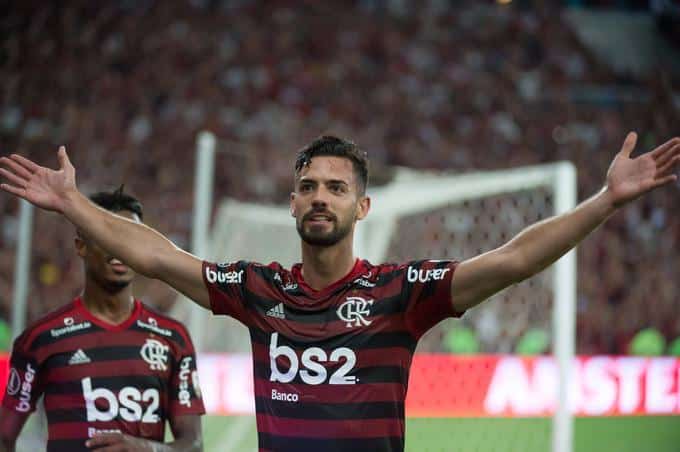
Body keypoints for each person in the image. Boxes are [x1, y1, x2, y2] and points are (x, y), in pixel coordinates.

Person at [1, 132, 678, 451]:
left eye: (335, 187)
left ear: (362, 209)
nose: (318, 197)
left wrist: (605, 202)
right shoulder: (256, 289)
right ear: (292, 205)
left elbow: (514, 257)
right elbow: (156, 252)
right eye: (307, 186)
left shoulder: (403, 292)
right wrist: (73, 205)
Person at [0, 187, 205, 452]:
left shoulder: (172, 338)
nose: (120, 249)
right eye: (108, 236)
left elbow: (194, 445)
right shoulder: (41, 339)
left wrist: (146, 449)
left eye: (130, 238)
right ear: (81, 246)